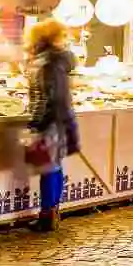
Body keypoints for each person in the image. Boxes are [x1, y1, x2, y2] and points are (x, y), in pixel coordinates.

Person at [25, 19, 80, 232]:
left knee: (48, 168)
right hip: (59, 121)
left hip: (49, 122)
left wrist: (34, 125)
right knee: (54, 167)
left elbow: (48, 97)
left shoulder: (46, 63)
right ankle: (52, 213)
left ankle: (47, 215)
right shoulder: (57, 61)